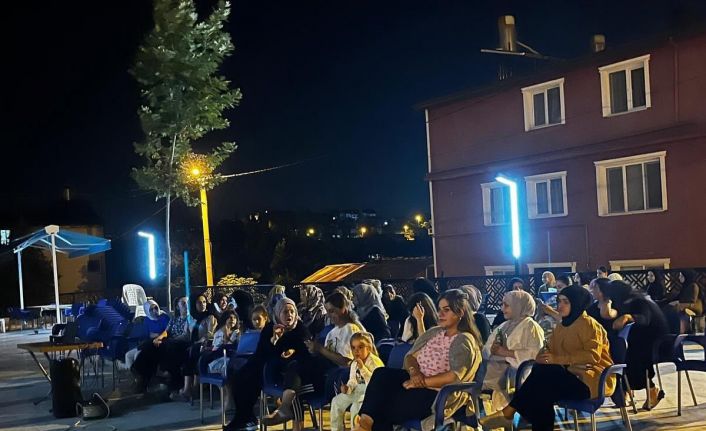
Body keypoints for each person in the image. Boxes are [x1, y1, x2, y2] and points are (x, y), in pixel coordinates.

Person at [480, 285, 615, 431]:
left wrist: (556, 359)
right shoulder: (561, 326)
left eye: (565, 302)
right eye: (559, 301)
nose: (560, 305)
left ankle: (509, 412)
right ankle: (510, 413)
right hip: (567, 377)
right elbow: (547, 351)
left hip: (590, 381)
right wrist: (541, 357)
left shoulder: (589, 325)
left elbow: (592, 356)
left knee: (545, 376)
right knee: (542, 389)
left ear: (576, 303)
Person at [353, 289, 482, 431]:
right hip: (414, 379)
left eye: (447, 310)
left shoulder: (464, 340)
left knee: (384, 405)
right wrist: (415, 374)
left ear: (460, 313)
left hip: (436, 392)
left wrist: (420, 383)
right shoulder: (435, 332)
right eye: (439, 309)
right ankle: (366, 420)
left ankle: (365, 423)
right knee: (381, 374)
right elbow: (410, 357)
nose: (440, 314)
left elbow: (454, 376)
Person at [224, 298, 313, 431]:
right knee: (241, 376)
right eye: (285, 312)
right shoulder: (270, 328)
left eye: (292, 311)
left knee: (258, 374)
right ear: (277, 314)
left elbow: (306, 353)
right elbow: (262, 352)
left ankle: (248, 418)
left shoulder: (301, 329)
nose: (289, 315)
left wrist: (292, 351)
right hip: (267, 364)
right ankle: (244, 417)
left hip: (287, 370)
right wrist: (273, 340)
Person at [599, 280, 669, 410]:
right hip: (644, 340)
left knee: (629, 358)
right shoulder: (631, 299)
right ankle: (626, 392)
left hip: (657, 344)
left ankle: (652, 391)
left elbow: (645, 319)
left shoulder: (639, 300)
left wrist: (628, 316)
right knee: (622, 352)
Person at [482, 291, 544, 413]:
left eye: (507, 305)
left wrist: (506, 353)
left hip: (517, 372)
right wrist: (493, 350)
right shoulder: (504, 325)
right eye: (502, 304)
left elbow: (536, 354)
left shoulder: (531, 326)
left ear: (518, 306)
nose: (502, 308)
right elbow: (487, 348)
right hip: (496, 367)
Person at [330, 333, 384, 431]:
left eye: (360, 347)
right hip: (357, 390)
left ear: (369, 348)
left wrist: (362, 368)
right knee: (336, 401)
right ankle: (336, 429)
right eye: (353, 348)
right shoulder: (354, 363)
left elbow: (375, 383)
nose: (356, 351)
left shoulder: (375, 362)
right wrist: (347, 388)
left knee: (355, 408)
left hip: (371, 392)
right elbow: (353, 381)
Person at [306, 291, 364, 368]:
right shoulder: (332, 332)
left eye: (332, 311)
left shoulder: (351, 329)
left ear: (343, 308)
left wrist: (320, 348)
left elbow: (346, 362)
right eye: (327, 312)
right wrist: (314, 349)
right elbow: (327, 355)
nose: (328, 316)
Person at [177, 293, 217, 398]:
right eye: (199, 302)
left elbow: (210, 334)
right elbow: (186, 334)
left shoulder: (210, 317)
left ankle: (189, 389)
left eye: (204, 302)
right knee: (177, 348)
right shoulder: (191, 318)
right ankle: (182, 386)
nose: (202, 305)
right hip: (192, 344)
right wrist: (173, 340)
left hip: (204, 345)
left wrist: (198, 342)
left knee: (191, 352)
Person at [131, 300, 171, 392]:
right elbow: (147, 334)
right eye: (151, 309)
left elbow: (166, 332)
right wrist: (155, 335)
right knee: (141, 352)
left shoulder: (164, 317)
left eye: (155, 308)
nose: (154, 311)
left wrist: (157, 335)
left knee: (145, 350)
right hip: (150, 342)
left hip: (163, 341)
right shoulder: (147, 320)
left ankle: (139, 375)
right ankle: (140, 378)